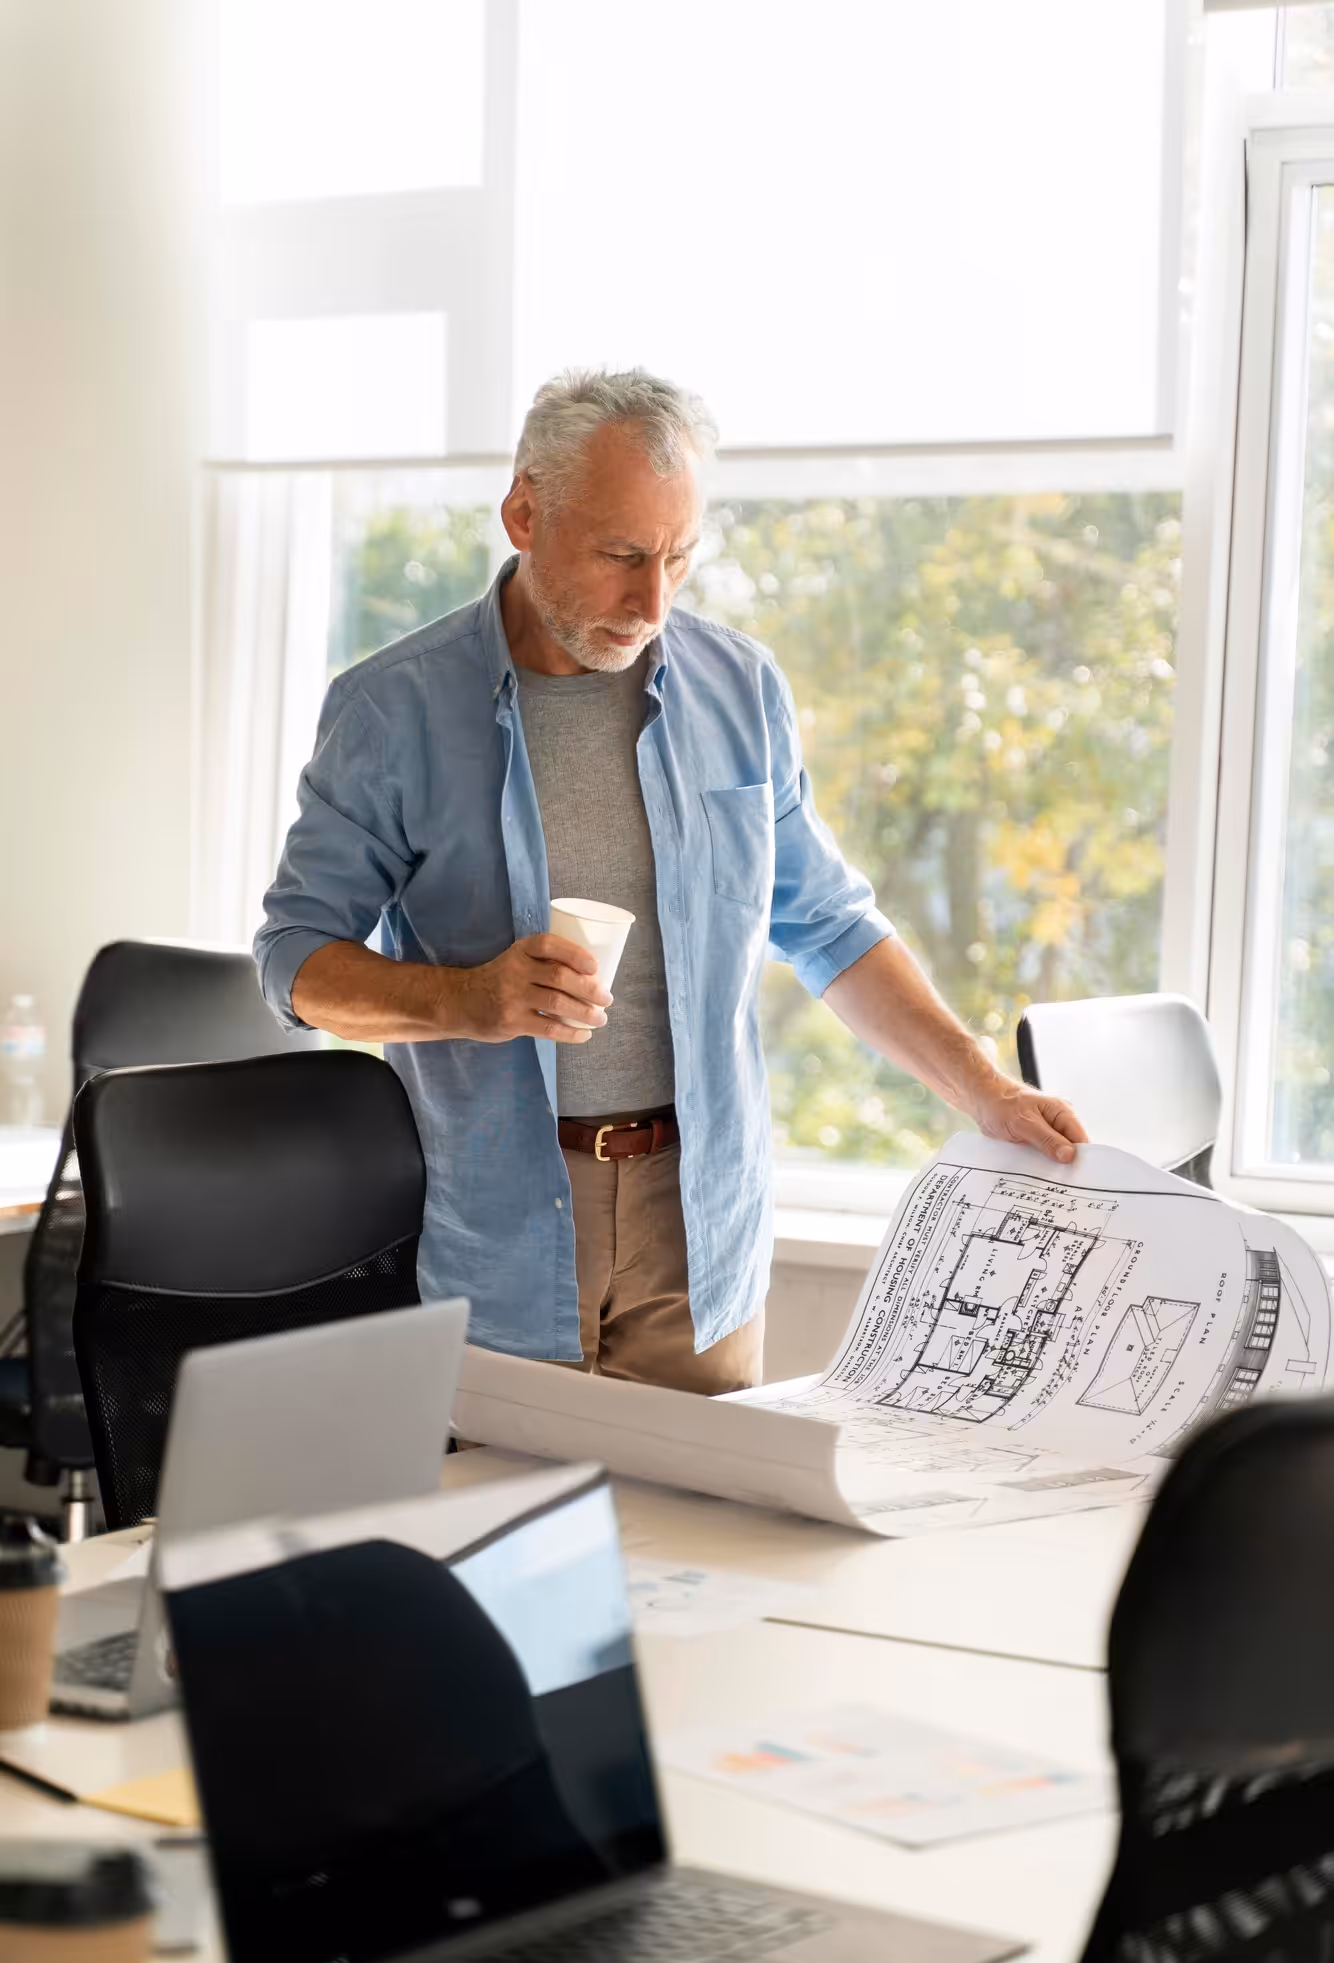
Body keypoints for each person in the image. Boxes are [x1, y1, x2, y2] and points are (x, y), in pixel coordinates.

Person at [255, 367, 1087, 1394]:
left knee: (704, 1550)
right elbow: (293, 961)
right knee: (508, 1540)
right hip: (495, 1222)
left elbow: (827, 926)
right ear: (523, 511)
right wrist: (464, 999)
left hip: (699, 1222)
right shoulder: (393, 710)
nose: (650, 600)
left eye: (678, 558)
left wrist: (984, 1087)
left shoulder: (739, 689)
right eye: (619, 555)